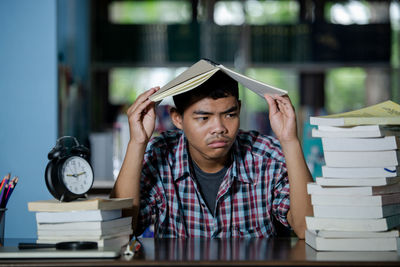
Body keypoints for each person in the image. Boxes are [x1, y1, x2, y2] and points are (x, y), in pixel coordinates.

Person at [111, 71, 313, 238]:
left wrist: (290, 141)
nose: (219, 128)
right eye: (204, 118)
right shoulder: (161, 155)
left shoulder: (267, 156)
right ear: (177, 119)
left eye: (229, 115)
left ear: (239, 110)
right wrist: (137, 142)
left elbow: (307, 229)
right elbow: (119, 230)